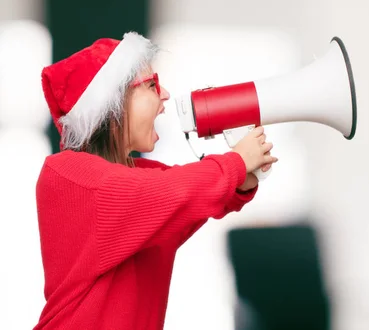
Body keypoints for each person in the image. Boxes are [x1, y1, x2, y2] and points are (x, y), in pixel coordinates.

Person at [33, 31, 277, 330]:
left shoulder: (139, 177)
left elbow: (187, 199)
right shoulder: (67, 174)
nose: (164, 94)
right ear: (113, 102)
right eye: (151, 85)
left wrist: (241, 182)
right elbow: (169, 192)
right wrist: (237, 163)